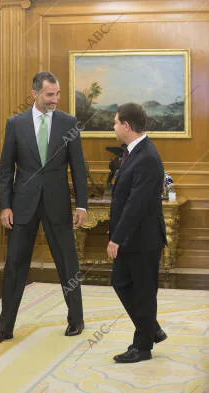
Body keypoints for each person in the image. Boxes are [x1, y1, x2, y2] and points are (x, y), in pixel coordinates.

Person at [0, 72, 88, 345]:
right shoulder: (15, 124)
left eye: (57, 94)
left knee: (68, 263)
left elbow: (78, 167)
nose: (55, 99)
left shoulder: (69, 123)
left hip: (57, 203)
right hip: (22, 205)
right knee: (14, 267)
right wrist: (5, 205)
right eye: (49, 95)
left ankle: (76, 319)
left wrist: (82, 205)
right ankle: (5, 327)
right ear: (35, 94)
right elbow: (6, 170)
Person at [107, 102, 167, 363]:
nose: (113, 126)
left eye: (116, 122)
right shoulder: (134, 151)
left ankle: (142, 347)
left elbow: (136, 204)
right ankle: (151, 328)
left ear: (127, 126)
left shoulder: (147, 157)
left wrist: (116, 238)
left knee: (143, 291)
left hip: (143, 240)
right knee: (120, 282)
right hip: (133, 238)